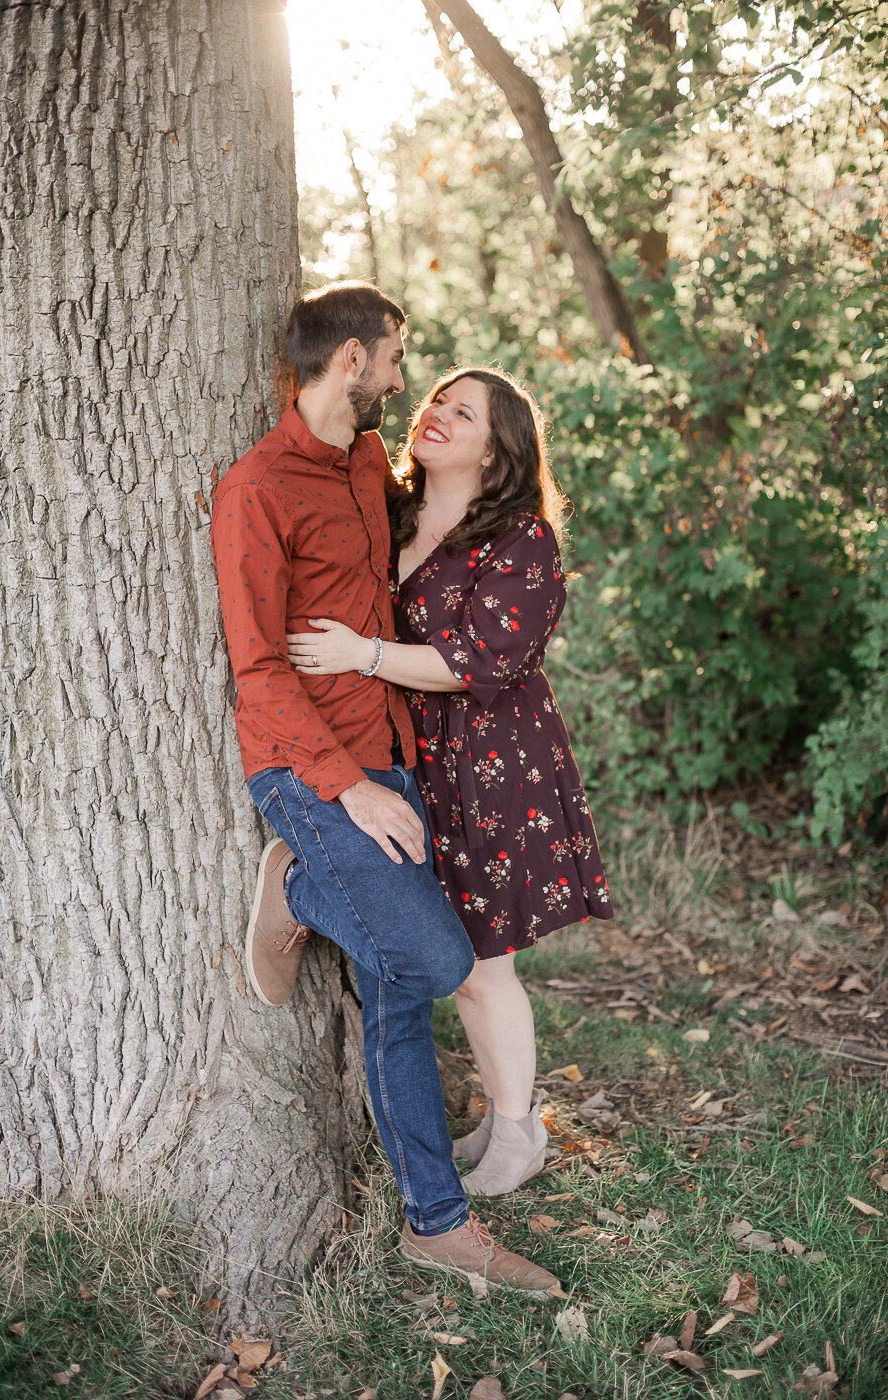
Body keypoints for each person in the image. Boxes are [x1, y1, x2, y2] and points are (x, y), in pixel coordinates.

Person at [211, 284, 559, 1291]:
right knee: (437, 952)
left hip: (390, 756)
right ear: (353, 360)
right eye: (398, 358)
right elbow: (260, 669)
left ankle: (434, 1220)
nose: (406, 380)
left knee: (398, 988)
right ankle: (301, 889)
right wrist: (344, 788)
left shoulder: (369, 463)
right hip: (305, 770)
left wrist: (390, 767)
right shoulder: (257, 490)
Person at [286, 365, 614, 1197]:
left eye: (460, 412)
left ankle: (517, 1132)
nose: (433, 415)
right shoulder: (388, 506)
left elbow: (479, 661)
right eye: (435, 400)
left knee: (481, 963)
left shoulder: (520, 540)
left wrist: (361, 656)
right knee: (443, 947)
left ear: (498, 448)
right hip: (402, 754)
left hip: (488, 764)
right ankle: (499, 1118)